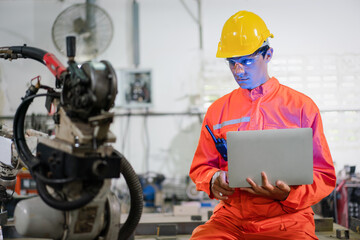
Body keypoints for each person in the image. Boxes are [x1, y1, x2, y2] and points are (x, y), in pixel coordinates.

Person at [189, 10, 336, 240]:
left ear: (268, 54)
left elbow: (324, 175)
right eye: (232, 63)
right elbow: (200, 168)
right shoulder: (217, 111)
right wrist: (213, 179)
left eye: (247, 61)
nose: (238, 71)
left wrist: (289, 195)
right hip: (231, 220)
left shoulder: (302, 108)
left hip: (289, 220)